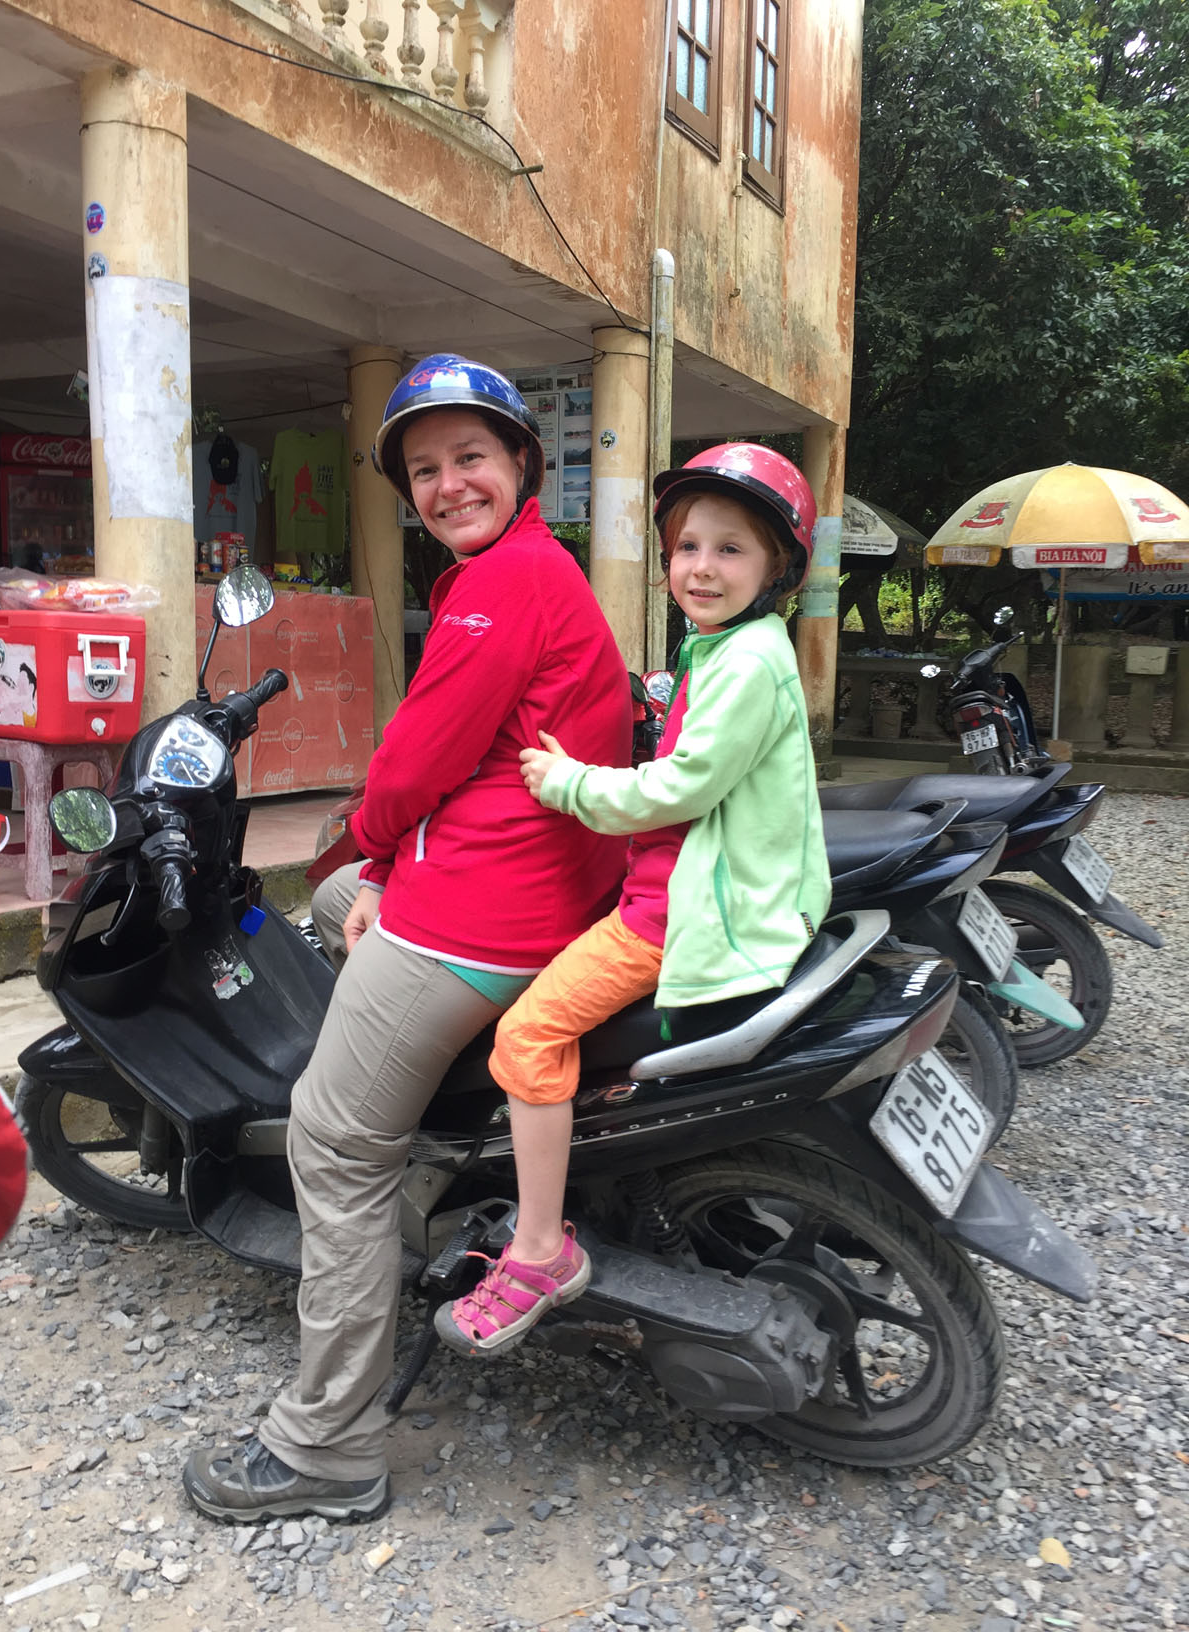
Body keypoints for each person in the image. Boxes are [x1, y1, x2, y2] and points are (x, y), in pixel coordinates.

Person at [184, 355, 631, 1522]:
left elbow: (415, 761)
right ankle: (429, 1142)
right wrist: (373, 873)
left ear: (521, 462)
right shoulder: (536, 568)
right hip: (530, 885)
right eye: (424, 470)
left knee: (331, 1140)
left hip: (486, 914)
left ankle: (326, 1446)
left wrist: (363, 839)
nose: (448, 485)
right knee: (338, 905)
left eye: (469, 457)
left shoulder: (496, 587)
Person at [434, 444, 833, 1356]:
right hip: (683, 888)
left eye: (730, 550)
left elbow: (680, 788)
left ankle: (540, 1250)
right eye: (687, 547)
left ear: (778, 567)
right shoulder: (726, 647)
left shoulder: (746, 662)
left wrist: (570, 784)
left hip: (672, 915)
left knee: (525, 1038)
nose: (701, 567)